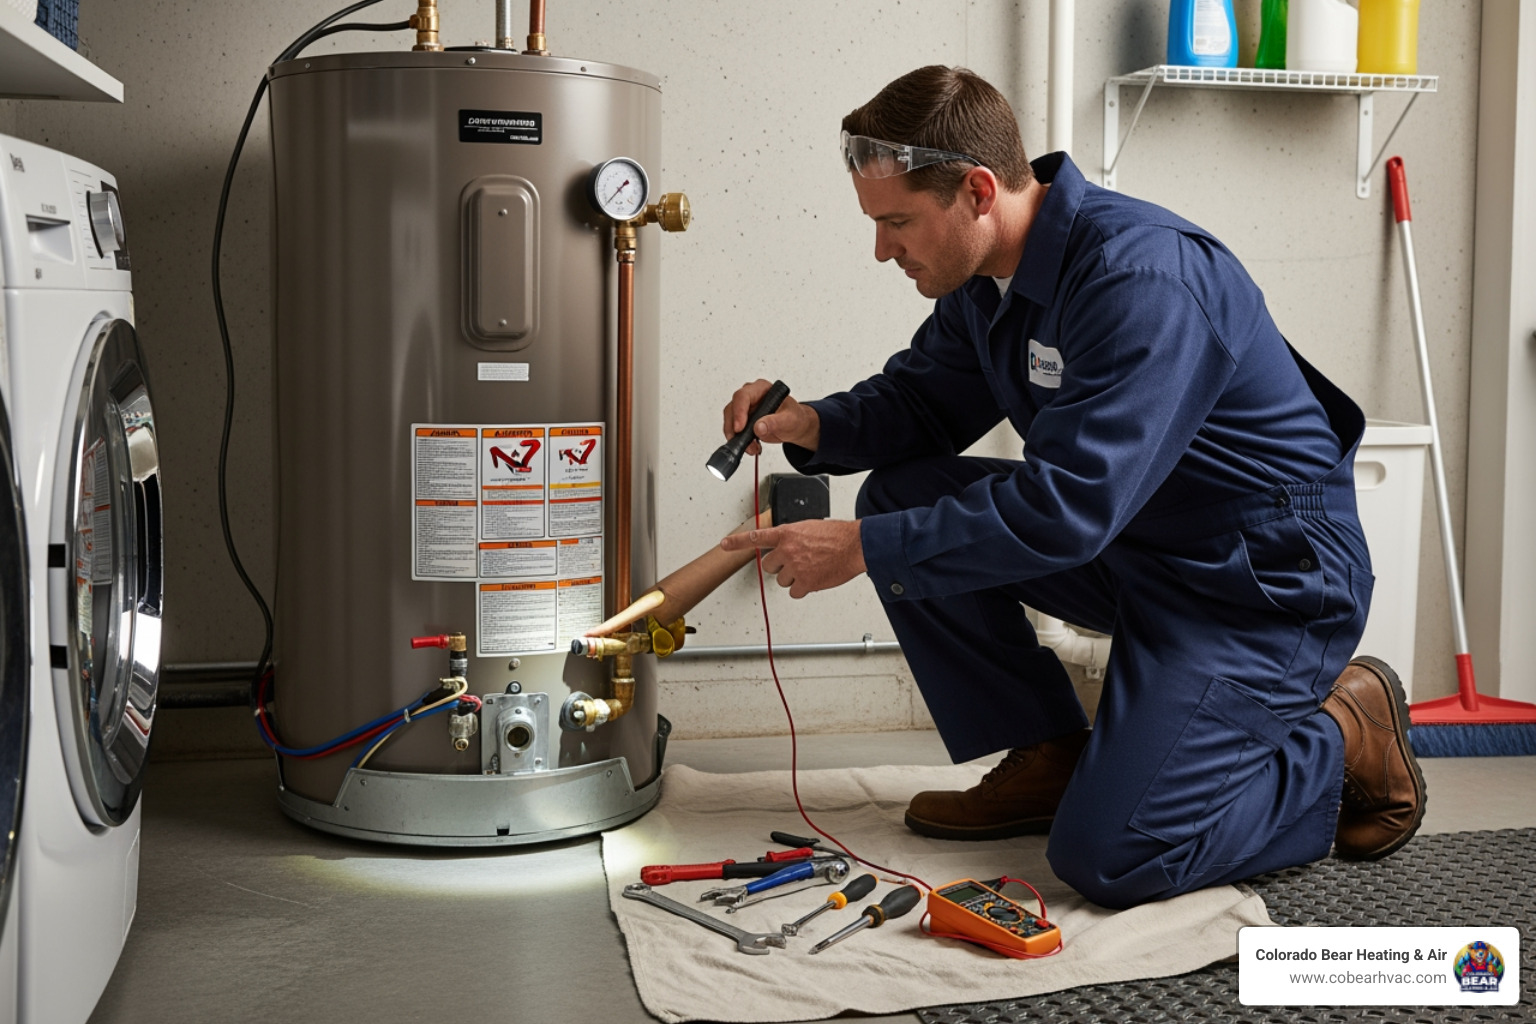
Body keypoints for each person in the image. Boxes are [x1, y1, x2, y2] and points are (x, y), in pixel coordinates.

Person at [717, 65, 1426, 910]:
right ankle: (1046, 754)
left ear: (977, 191)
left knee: (1114, 855)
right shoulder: (990, 281)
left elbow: (1069, 509)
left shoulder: (1142, 280)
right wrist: (808, 423)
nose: (883, 249)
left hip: (1260, 581)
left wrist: (864, 552)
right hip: (1144, 550)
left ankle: (1342, 734)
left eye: (897, 222)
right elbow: (921, 401)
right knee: (901, 497)